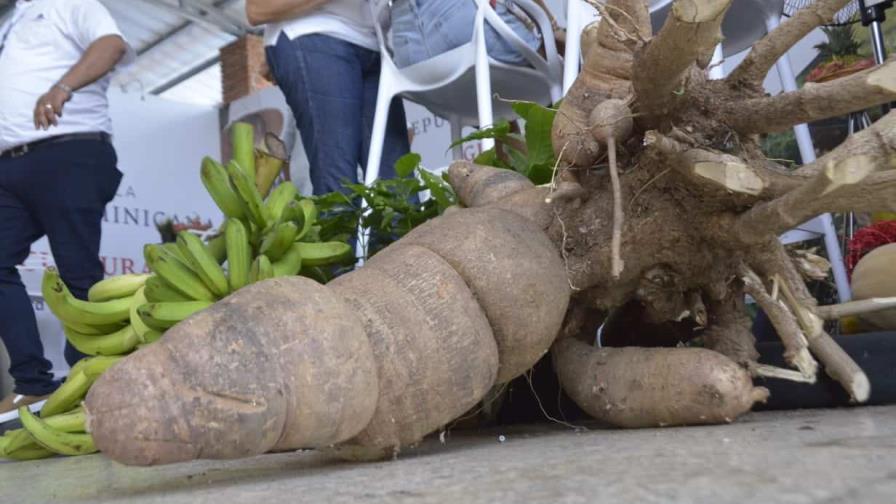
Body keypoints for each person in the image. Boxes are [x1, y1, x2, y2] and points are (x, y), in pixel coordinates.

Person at [0, 0, 131, 422]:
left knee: (77, 273)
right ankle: (33, 385)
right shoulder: (10, 22)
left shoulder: (67, 3)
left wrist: (62, 88)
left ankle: (88, 385)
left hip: (68, 149)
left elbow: (110, 43)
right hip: (9, 165)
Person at [247, 0, 411, 197]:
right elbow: (257, 9)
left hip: (374, 42)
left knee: (399, 189)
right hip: (313, 33)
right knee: (338, 187)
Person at [390, 0, 547, 69]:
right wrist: (551, 26)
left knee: (491, 105)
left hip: (411, 55)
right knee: (548, 65)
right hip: (459, 22)